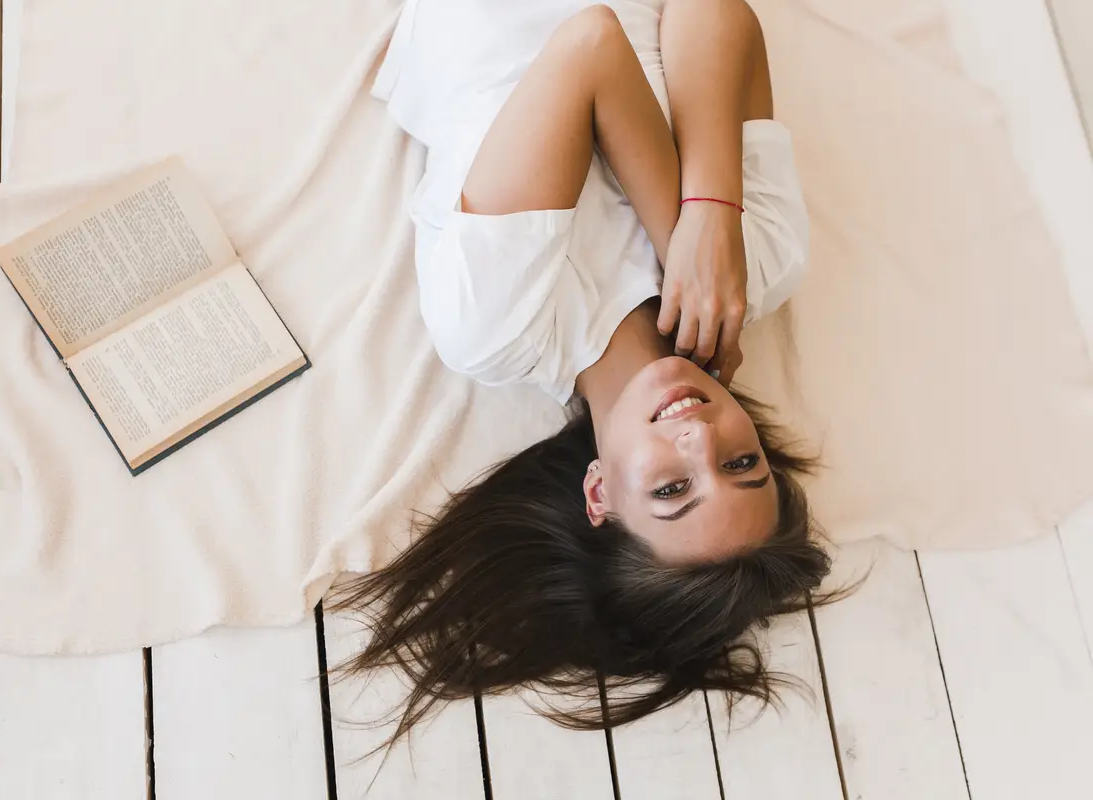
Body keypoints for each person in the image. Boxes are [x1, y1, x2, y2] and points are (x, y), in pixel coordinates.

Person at [337, 0, 832, 744]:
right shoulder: (758, 270)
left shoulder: (498, 327)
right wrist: (715, 213)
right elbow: (716, 13)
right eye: (742, 462)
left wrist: (689, 227)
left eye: (672, 489)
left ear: (599, 490)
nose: (699, 439)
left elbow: (591, 44)